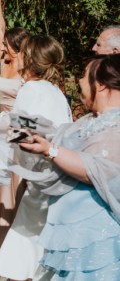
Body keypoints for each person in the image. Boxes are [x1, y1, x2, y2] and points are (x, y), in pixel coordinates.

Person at [17, 54, 120, 279]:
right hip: (74, 230)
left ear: (100, 84)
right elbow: (60, 133)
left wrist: (50, 151)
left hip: (98, 234)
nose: (79, 82)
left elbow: (94, 170)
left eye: (83, 76)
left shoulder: (116, 125)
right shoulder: (92, 120)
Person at [0, 35, 72, 280]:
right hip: (56, 172)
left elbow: (22, 136)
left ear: (29, 59)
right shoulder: (54, 90)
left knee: (28, 237)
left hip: (41, 174)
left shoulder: (30, 90)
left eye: (22, 53)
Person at [0, 0, 30, 252]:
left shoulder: (27, 68)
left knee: (20, 181)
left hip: (21, 128)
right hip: (4, 127)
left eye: (6, 46)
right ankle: (0, 241)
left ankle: (21, 238)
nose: (2, 47)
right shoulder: (4, 63)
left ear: (17, 47)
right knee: (5, 183)